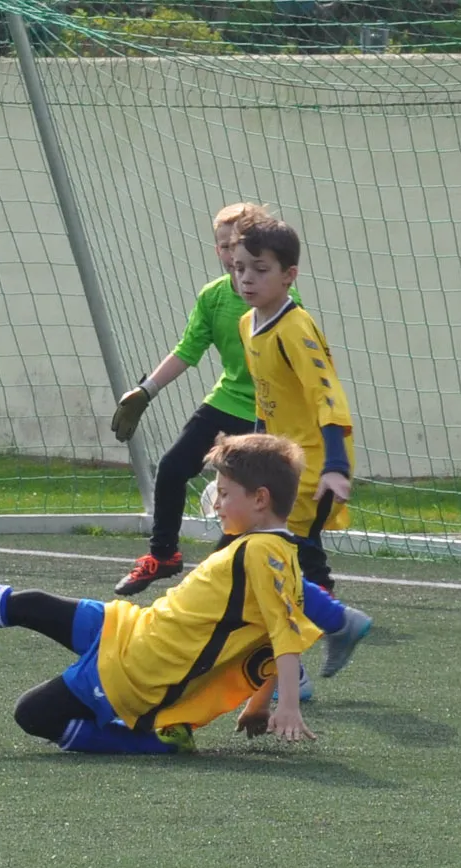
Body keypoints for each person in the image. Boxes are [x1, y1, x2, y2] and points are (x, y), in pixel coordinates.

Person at [0, 433, 323, 753]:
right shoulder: (268, 551)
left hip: (137, 672)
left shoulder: (263, 553)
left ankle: (153, 741)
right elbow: (272, 639)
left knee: (32, 714)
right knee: (31, 603)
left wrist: (285, 704)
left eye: (225, 493)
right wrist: (260, 704)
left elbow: (282, 636)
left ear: (260, 499)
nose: (216, 504)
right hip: (132, 629)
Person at [109, 202, 278, 595]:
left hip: (269, 411)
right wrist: (146, 391)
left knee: (251, 499)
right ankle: (163, 554)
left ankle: (241, 578)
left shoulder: (281, 300)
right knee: (172, 468)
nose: (229, 254)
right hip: (227, 400)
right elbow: (187, 351)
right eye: (223, 246)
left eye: (235, 244)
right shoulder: (213, 297)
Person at [232, 218, 371, 677]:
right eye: (239, 268)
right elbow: (266, 398)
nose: (247, 279)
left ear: (289, 275)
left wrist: (336, 465)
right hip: (280, 464)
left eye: (260, 269)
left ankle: (292, 669)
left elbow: (327, 395)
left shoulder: (295, 328)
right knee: (271, 564)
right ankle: (336, 626)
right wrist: (249, 458)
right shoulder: (247, 324)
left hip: (312, 468)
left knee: (267, 562)